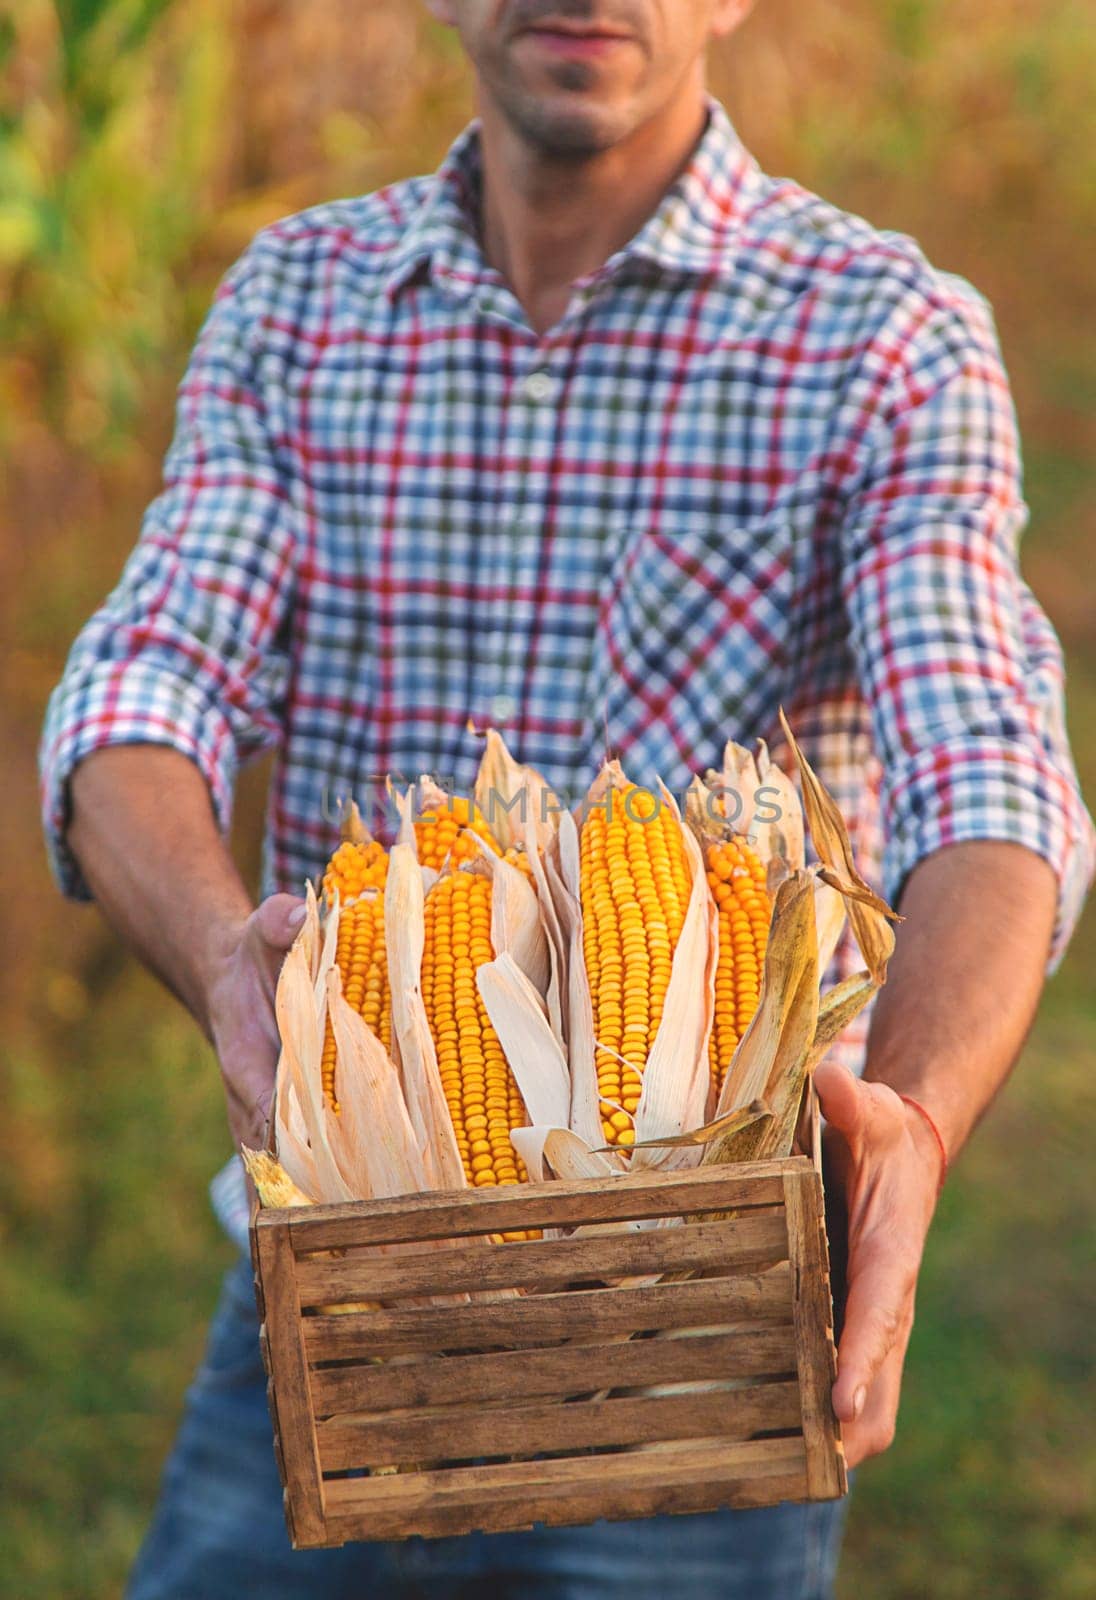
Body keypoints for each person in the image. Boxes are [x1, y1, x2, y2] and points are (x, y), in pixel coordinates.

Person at [39, 2, 1094, 1596]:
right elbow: (137, 696)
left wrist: (917, 1123)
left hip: (706, 1333)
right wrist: (223, 967)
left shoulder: (880, 333)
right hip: (345, 1302)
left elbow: (992, 779)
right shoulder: (302, 304)